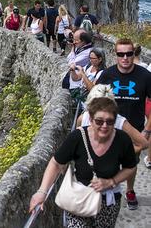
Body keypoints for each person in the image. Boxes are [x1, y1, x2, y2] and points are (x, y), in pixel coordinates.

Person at [29, 97, 137, 227]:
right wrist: (42, 192)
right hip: (79, 199)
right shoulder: (78, 137)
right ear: (90, 119)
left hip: (108, 203)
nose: (104, 126)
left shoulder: (122, 140)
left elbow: (130, 167)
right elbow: (56, 163)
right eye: (99, 121)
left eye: (110, 122)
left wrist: (111, 182)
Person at [96, 38, 151, 210]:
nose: (125, 58)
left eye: (129, 54)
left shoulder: (145, 76)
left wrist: (147, 131)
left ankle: (129, 190)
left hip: (134, 129)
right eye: (121, 54)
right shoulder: (107, 75)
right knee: (107, 160)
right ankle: (107, 189)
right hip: (108, 129)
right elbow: (96, 101)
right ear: (115, 55)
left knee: (131, 163)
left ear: (134, 54)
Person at [77, 84, 149, 153]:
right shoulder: (83, 118)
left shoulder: (119, 121)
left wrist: (119, 155)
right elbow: (78, 141)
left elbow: (143, 144)